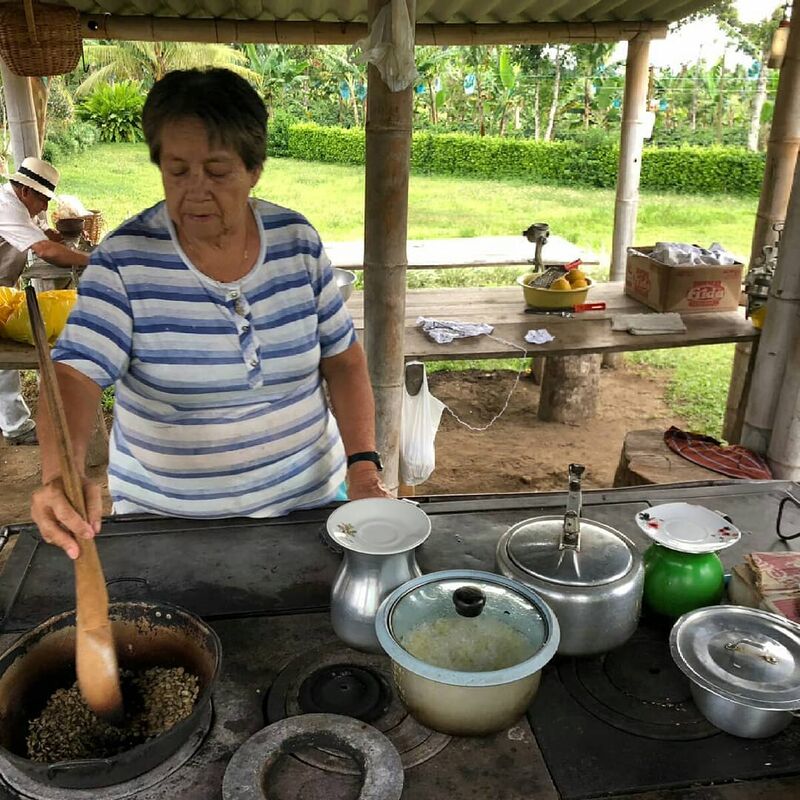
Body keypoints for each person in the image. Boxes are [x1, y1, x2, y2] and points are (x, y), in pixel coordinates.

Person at [31, 68, 389, 559]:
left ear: (254, 170)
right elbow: (73, 375)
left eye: (217, 172)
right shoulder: (125, 262)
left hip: (309, 507)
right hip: (169, 525)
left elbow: (344, 361)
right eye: (177, 171)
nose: (195, 190)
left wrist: (363, 468)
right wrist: (61, 475)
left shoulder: (296, 242)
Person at [0, 157, 90, 445]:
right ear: (25, 191)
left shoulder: (23, 204)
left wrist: (49, 233)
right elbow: (45, 251)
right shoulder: (8, 207)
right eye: (43, 200)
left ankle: (13, 424)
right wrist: (92, 260)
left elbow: (43, 234)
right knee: (4, 359)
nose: (45, 207)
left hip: (3, 284)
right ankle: (15, 427)